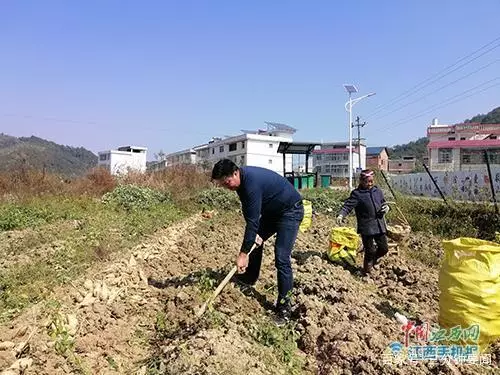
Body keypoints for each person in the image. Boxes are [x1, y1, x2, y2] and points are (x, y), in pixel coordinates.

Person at [211, 159, 304, 324]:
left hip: (290, 211)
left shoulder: (251, 183)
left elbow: (253, 222)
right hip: (273, 213)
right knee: (255, 241)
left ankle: (284, 308)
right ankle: (250, 278)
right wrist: (252, 240)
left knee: (281, 257)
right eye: (224, 185)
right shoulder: (240, 184)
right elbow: (250, 218)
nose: (227, 187)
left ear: (235, 173)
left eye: (227, 183)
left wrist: (243, 254)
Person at [336, 169, 390, 275]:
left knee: (384, 248)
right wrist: (341, 214)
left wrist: (386, 207)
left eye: (371, 181)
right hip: (367, 226)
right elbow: (348, 206)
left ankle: (373, 260)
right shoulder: (357, 194)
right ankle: (366, 271)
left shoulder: (377, 191)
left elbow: (383, 202)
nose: (369, 184)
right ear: (361, 181)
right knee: (369, 250)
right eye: (367, 182)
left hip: (379, 224)